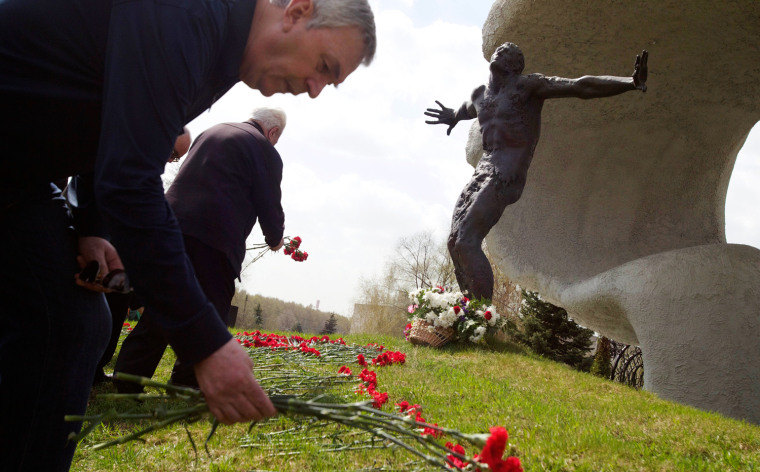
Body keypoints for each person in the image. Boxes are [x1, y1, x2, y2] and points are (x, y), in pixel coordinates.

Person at [0, 0, 376, 470]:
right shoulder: (189, 12)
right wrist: (208, 344)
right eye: (323, 67)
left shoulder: (223, 53)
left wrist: (93, 227)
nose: (316, 90)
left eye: (330, 82)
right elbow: (132, 177)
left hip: (22, 181)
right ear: (297, 10)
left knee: (75, 323)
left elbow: (116, 125)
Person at [425, 43, 647, 300]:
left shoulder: (527, 86)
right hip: (483, 171)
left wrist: (629, 82)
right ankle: (464, 314)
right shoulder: (480, 94)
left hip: (506, 174)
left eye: (510, 53)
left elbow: (580, 86)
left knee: (466, 239)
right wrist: (452, 114)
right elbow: (465, 109)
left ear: (515, 66)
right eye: (501, 49)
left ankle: (481, 317)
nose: (502, 51)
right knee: (455, 241)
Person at [114, 108, 287, 392]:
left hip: (171, 225)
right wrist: (275, 238)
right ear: (273, 132)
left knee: (163, 303)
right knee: (211, 312)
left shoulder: (212, 131)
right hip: (213, 237)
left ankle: (127, 379)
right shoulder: (264, 150)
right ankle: (187, 385)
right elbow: (269, 201)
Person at [91, 130, 194, 386]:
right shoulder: (128, 155)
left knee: (113, 316)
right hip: (102, 246)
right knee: (97, 316)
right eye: (172, 154)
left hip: (124, 258)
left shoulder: (149, 173)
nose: (171, 162)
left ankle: (93, 370)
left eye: (176, 159)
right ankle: (83, 370)